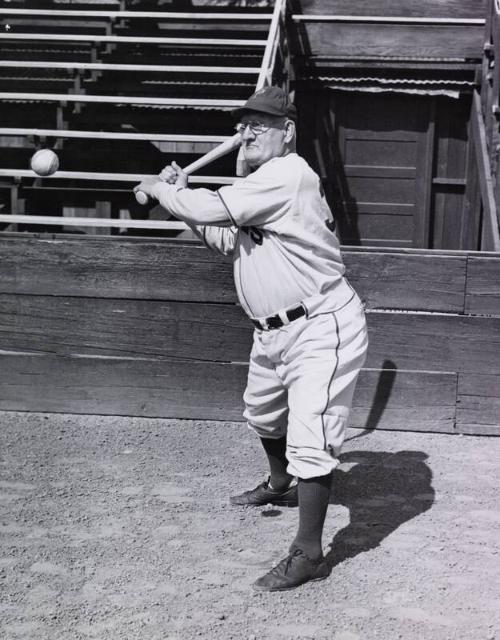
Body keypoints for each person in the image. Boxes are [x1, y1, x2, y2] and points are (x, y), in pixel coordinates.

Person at [134, 85, 369, 592]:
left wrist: (165, 191)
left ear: (287, 132)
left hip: (320, 324)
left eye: (261, 124)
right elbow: (221, 234)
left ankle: (308, 552)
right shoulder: (261, 184)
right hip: (272, 330)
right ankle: (281, 484)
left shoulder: (289, 174)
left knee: (312, 436)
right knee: (261, 413)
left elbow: (211, 210)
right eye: (244, 124)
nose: (248, 132)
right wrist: (180, 200)